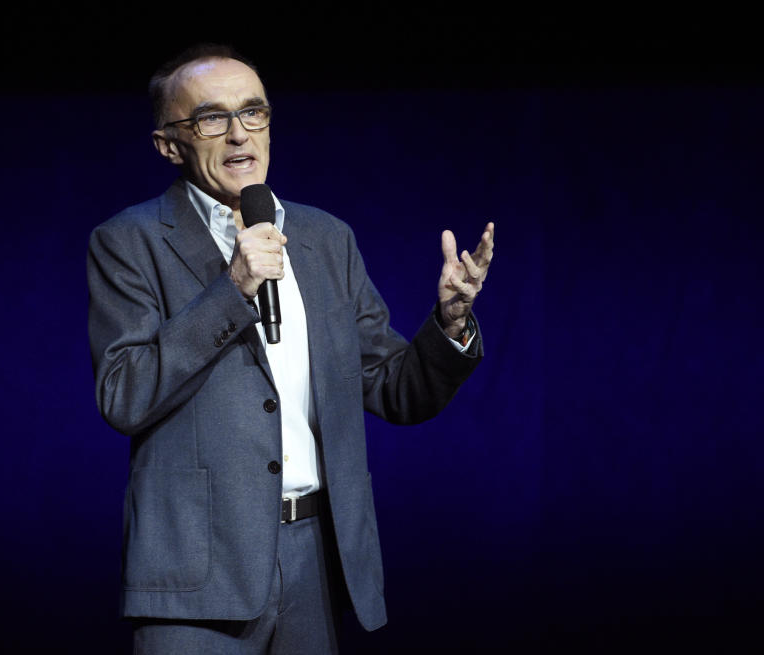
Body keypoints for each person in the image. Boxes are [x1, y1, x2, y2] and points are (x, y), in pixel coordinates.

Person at [87, 44, 494, 654]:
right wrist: (233, 290)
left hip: (316, 562)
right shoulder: (129, 241)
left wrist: (450, 323)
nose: (237, 134)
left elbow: (392, 388)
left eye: (254, 113)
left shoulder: (326, 239)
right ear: (169, 144)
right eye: (210, 118)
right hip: (198, 576)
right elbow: (123, 394)